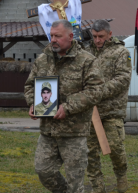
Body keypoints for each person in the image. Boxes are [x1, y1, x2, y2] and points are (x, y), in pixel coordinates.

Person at [24, 19, 104, 193]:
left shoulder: (86, 60)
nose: (53, 39)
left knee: (75, 181)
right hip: (48, 131)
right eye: (51, 35)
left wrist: (67, 107)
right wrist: (33, 103)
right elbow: (30, 85)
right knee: (43, 171)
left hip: (74, 131)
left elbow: (95, 91)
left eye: (57, 36)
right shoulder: (43, 59)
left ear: (70, 36)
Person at [84, 20, 132, 193]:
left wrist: (98, 91)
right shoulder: (85, 52)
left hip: (111, 110)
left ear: (110, 34)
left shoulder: (121, 52)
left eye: (101, 37)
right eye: (95, 36)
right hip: (89, 111)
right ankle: (97, 186)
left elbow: (122, 79)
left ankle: (121, 176)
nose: (97, 40)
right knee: (90, 152)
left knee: (115, 148)